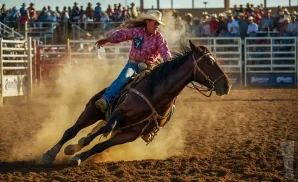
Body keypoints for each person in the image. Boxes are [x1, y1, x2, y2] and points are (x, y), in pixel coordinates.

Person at [94, 10, 171, 112]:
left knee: (159, 85)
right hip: (133, 65)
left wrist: (168, 59)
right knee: (124, 78)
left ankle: (158, 111)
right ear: (148, 21)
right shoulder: (137, 31)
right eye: (155, 23)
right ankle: (106, 100)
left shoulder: (159, 37)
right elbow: (122, 34)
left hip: (149, 67)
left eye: (158, 24)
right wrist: (107, 39)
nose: (157, 26)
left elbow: (164, 50)